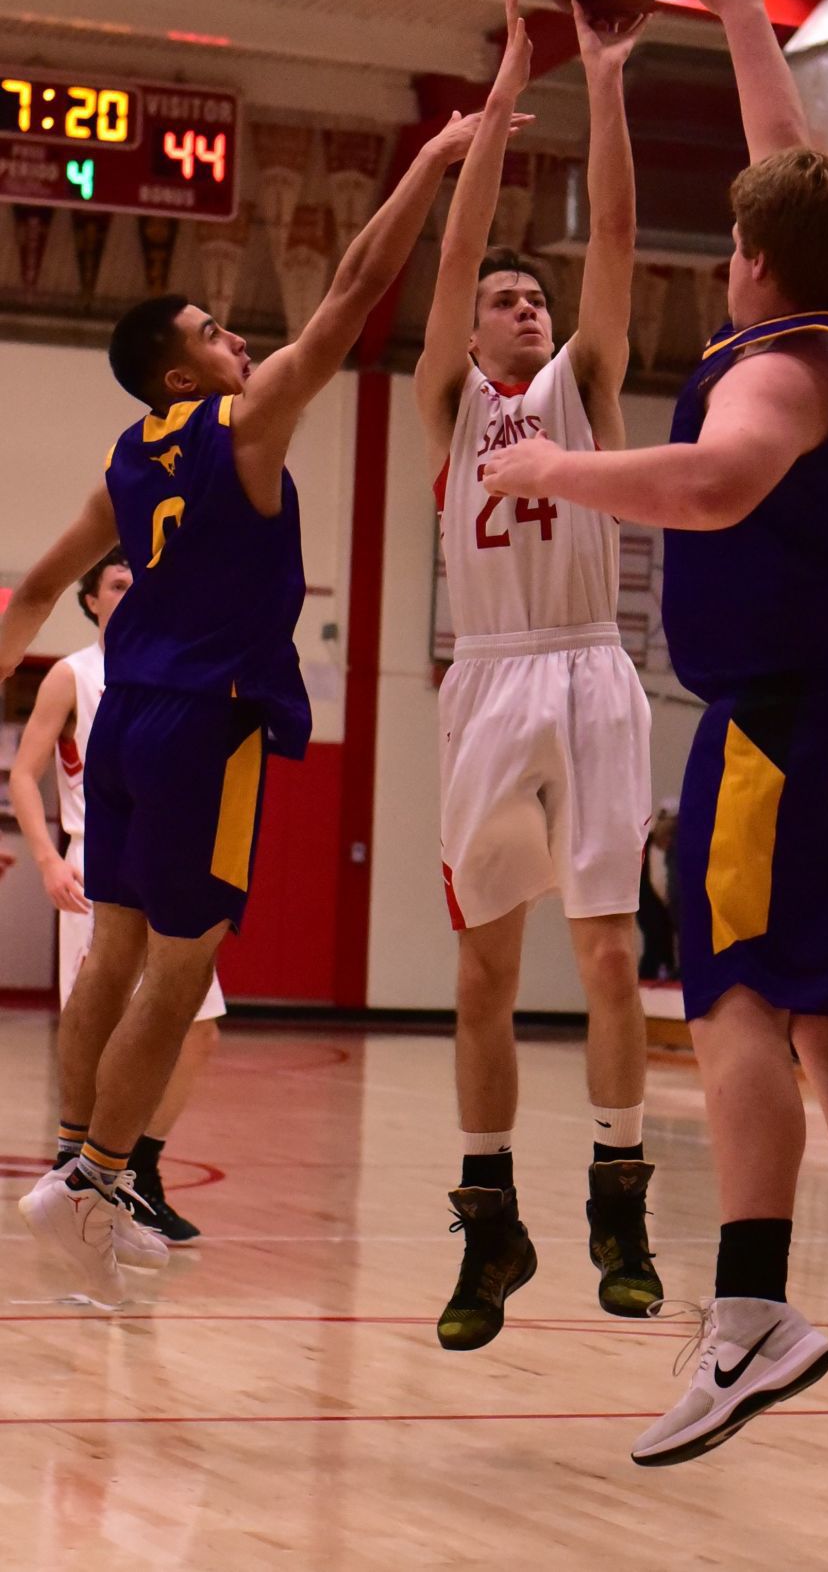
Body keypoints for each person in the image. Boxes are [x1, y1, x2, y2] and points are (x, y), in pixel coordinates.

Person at [484, 0, 828, 1484]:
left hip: (782, 730)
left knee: (737, 1006)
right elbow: (784, 155)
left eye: (737, 238)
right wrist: (743, 6)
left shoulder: (774, 368)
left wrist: (557, 459)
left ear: (753, 258)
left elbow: (710, 486)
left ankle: (751, 1312)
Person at [0, 106, 503, 1308]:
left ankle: (76, 1163)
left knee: (113, 953)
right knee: (183, 965)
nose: (237, 340)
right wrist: (429, 162)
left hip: (123, 727)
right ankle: (100, 1184)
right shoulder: (245, 424)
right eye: (215, 331)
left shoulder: (127, 459)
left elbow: (25, 593)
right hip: (205, 722)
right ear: (188, 372)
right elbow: (354, 286)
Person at [415, 0, 660, 1352]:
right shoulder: (446, 405)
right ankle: (487, 1221)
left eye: (530, 296)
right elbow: (448, 258)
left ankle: (617, 1200)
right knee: (481, 975)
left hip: (587, 671)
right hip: (487, 681)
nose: (517, 306)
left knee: (612, 956)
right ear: (468, 332)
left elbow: (615, 236)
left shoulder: (583, 382)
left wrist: (603, 76)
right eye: (501, 298)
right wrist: (507, 93)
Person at [9, 549, 223, 1242]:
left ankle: (138, 1169)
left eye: (140, 584)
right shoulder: (73, 674)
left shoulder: (176, 669)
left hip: (167, 858)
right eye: (117, 585)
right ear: (91, 599)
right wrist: (47, 857)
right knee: (98, 1022)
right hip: (94, 860)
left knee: (196, 1028)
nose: (131, 594)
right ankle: (78, 1170)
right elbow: (24, 772)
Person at [638, 803, 679, 982]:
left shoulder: (679, 848)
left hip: (674, 904)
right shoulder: (645, 847)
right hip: (650, 905)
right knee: (655, 940)